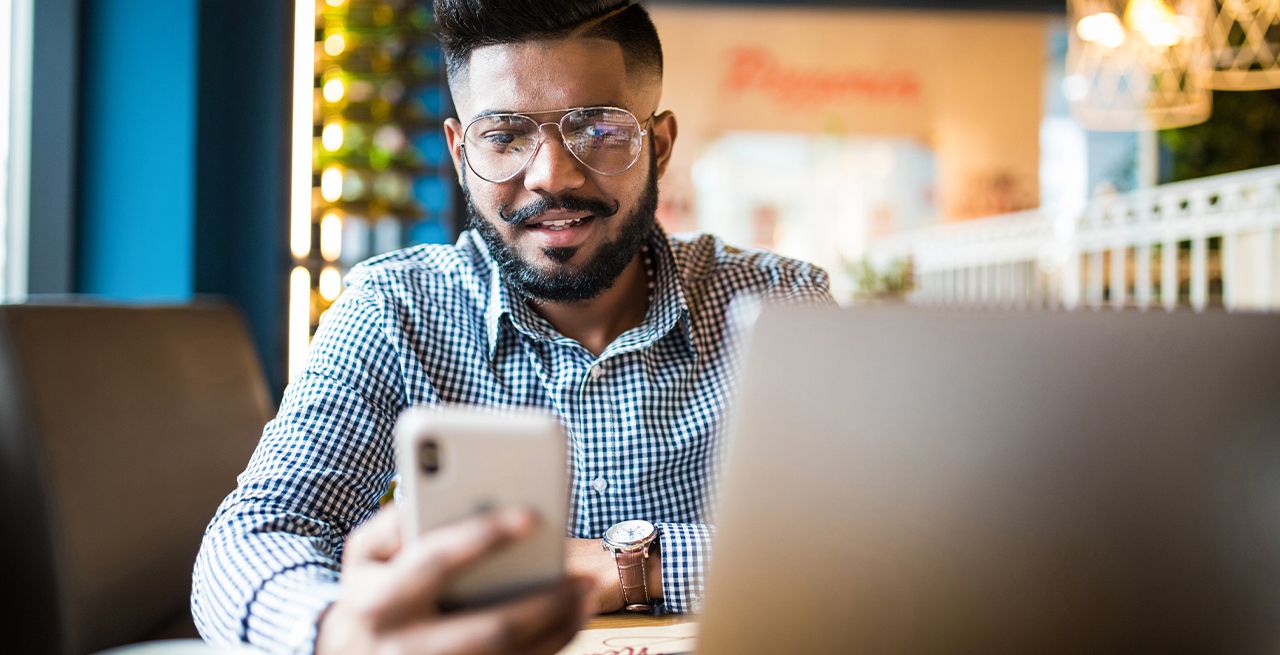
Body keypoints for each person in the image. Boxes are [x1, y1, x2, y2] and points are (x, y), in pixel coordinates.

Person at [192, 1, 833, 653]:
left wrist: (623, 565)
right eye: (504, 135)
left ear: (658, 146)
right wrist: (338, 631)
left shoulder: (781, 300)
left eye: (599, 130)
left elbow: (873, 534)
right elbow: (250, 538)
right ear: (460, 151)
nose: (551, 175)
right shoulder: (395, 309)